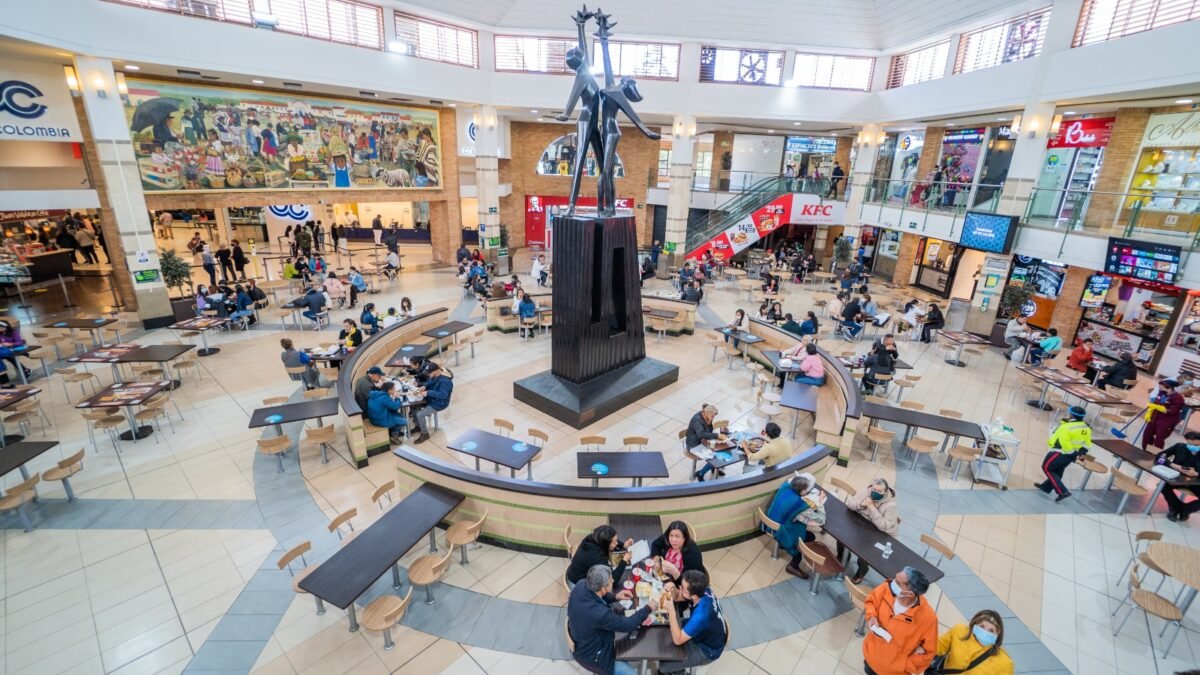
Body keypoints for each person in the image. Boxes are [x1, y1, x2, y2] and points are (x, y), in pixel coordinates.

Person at [566, 565, 655, 675]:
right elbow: (628, 624)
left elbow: (598, 596)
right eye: (610, 580)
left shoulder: (581, 584)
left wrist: (615, 597)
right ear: (603, 588)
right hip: (591, 656)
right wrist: (648, 608)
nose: (613, 580)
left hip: (582, 640)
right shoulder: (601, 614)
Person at [863, 567, 938, 675]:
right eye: (895, 578)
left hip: (893, 672)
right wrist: (871, 616)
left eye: (898, 582)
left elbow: (928, 653)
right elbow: (871, 601)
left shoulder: (928, 618)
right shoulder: (885, 588)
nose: (892, 582)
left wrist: (903, 665)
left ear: (910, 594)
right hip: (870, 658)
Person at [660, 570, 726, 674]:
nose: (680, 589)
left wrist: (671, 611)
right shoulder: (704, 591)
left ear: (694, 596)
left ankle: (680, 672)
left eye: (683, 588)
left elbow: (678, 640)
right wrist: (672, 589)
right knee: (665, 629)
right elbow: (677, 597)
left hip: (706, 649)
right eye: (681, 585)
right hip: (704, 632)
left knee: (664, 666)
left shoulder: (701, 616)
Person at [837, 479, 898, 584]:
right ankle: (843, 557)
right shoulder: (867, 490)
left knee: (865, 552)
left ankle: (862, 571)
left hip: (881, 534)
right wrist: (861, 504)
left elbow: (884, 526)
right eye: (874, 489)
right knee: (841, 536)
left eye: (879, 491)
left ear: (886, 492)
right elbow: (851, 503)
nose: (875, 492)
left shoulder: (891, 506)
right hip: (863, 525)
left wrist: (872, 508)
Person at [1034, 405, 1092, 502]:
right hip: (1071, 455)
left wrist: (1071, 453)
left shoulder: (1067, 427)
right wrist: (1078, 454)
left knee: (1047, 468)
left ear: (1071, 415)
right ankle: (1046, 487)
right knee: (1058, 471)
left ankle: (1062, 491)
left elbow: (1065, 442)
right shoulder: (1086, 428)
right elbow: (1087, 444)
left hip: (1060, 453)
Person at [765, 473, 821, 567]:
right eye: (806, 490)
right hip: (780, 530)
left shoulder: (784, 488)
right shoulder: (799, 503)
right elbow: (815, 513)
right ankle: (794, 565)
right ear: (802, 491)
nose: (807, 491)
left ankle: (782, 546)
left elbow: (789, 480)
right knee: (810, 537)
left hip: (770, 522)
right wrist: (819, 501)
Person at [935, 610, 1014, 675]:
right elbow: (938, 646)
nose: (985, 632)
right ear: (974, 625)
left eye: (991, 630)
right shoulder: (959, 632)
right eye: (982, 626)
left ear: (998, 635)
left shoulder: (1005, 663)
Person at [565, 525, 633, 587]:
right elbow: (612, 581)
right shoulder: (598, 557)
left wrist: (624, 544)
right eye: (614, 542)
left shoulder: (592, 537)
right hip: (577, 584)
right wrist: (624, 561)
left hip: (573, 573)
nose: (617, 543)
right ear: (606, 543)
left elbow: (608, 541)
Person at [1158, 431, 1200, 521]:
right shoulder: (1179, 447)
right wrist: (1173, 465)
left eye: (1196, 445)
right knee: (1162, 486)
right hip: (1176, 478)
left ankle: (1182, 510)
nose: (1192, 447)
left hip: (1196, 482)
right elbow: (1159, 457)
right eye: (1189, 444)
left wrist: (1196, 473)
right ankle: (1178, 509)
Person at [650, 521, 704, 585]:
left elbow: (688, 584)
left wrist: (675, 572)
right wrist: (657, 560)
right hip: (665, 576)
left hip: (681, 583)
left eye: (677, 536)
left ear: (684, 538)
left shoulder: (693, 554)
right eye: (671, 535)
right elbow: (655, 545)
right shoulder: (667, 538)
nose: (673, 540)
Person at [411, 362, 452, 444]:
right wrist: (424, 387)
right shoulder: (435, 376)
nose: (428, 375)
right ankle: (418, 426)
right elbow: (430, 383)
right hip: (431, 399)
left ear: (435, 371)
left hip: (439, 403)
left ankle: (425, 434)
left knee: (420, 414)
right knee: (413, 406)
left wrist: (428, 392)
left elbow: (443, 395)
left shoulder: (446, 382)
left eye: (429, 373)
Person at [1144, 379, 1185, 451]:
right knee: (1147, 434)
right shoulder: (1161, 392)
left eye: (1161, 387)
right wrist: (1150, 411)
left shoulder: (1178, 398)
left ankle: (1155, 454)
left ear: (1169, 388)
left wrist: (1159, 408)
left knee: (1159, 439)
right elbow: (1156, 402)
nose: (1160, 389)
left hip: (1167, 421)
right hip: (1155, 417)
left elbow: (1171, 411)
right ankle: (1145, 450)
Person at [687, 404, 722, 482]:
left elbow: (709, 431)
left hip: (703, 441)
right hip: (694, 444)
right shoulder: (697, 420)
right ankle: (700, 474)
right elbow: (701, 434)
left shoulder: (707, 416)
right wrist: (717, 436)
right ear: (706, 413)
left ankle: (713, 468)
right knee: (715, 458)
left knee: (720, 450)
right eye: (712, 416)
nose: (713, 418)